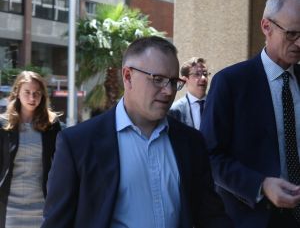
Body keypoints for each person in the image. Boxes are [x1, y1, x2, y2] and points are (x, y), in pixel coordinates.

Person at [41, 36, 233, 228]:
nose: (168, 91)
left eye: (174, 82)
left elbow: (211, 216)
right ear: (127, 76)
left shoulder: (191, 142)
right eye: (158, 79)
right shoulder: (78, 144)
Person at [200, 0, 300, 228]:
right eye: (292, 34)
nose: (299, 43)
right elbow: (209, 156)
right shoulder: (231, 82)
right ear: (267, 27)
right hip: (252, 217)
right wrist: (261, 185)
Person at [0, 71, 61, 227]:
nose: (32, 98)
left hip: (41, 207)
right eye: (27, 92)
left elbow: (60, 165)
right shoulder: (3, 124)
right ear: (17, 93)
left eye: (37, 93)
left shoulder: (52, 125)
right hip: (9, 208)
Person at [169, 57, 210, 129]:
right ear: (185, 79)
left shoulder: (216, 104)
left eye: (205, 74)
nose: (203, 78)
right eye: (197, 74)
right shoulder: (174, 110)